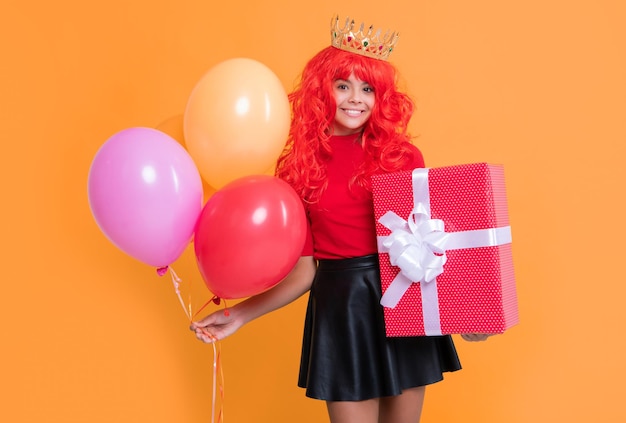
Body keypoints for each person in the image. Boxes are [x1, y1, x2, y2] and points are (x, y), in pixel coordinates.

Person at [191, 15, 490, 423]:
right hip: (341, 307)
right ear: (322, 90)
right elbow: (304, 272)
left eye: (368, 88)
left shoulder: (403, 157)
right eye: (343, 85)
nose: (355, 98)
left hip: (403, 301)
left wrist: (466, 313)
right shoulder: (298, 166)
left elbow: (431, 247)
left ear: (381, 97)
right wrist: (237, 314)